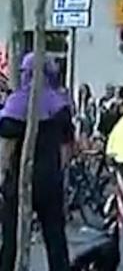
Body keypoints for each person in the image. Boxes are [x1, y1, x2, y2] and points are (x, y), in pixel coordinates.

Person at [0, 54, 73, 271]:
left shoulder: (16, 104)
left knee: (12, 238)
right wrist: (58, 173)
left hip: (19, 179)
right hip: (50, 178)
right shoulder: (60, 106)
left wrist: (2, 176)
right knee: (55, 238)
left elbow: (6, 148)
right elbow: (67, 148)